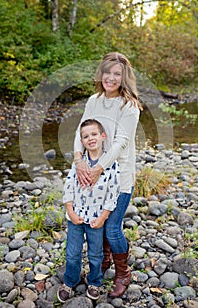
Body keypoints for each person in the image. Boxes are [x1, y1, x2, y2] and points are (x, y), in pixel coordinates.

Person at [73, 52, 141, 298]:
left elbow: (121, 142)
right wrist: (79, 160)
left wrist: (99, 167)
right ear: (101, 73)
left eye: (117, 74)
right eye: (107, 72)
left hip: (118, 176)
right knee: (97, 224)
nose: (111, 78)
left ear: (124, 78)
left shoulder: (129, 106)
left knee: (112, 228)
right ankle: (104, 261)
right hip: (92, 172)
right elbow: (82, 131)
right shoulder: (94, 100)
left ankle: (123, 272)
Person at [57, 118, 120, 303]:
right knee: (73, 253)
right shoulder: (79, 163)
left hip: (96, 218)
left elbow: (113, 193)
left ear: (103, 136)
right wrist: (70, 210)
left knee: (95, 253)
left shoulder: (110, 164)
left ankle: (94, 282)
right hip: (75, 217)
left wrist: (103, 217)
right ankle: (70, 280)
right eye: (85, 136)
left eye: (94, 134)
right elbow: (68, 187)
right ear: (81, 141)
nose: (90, 139)